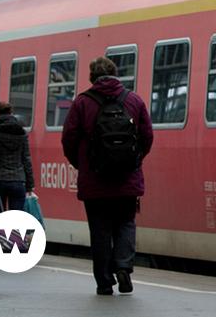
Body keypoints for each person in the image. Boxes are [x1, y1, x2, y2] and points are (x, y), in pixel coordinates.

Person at [62, 56, 153, 296]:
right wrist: (134, 160)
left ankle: (104, 282)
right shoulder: (133, 100)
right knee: (125, 223)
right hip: (127, 179)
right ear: (116, 74)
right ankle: (123, 267)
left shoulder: (82, 103)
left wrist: (82, 164)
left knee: (100, 230)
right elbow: (147, 136)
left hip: (95, 181)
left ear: (92, 77)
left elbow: (68, 139)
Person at [0, 101, 34, 212]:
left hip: (0, 181)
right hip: (18, 180)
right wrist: (30, 185)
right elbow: (26, 159)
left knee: (0, 219)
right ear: (11, 113)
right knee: (16, 220)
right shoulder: (21, 132)